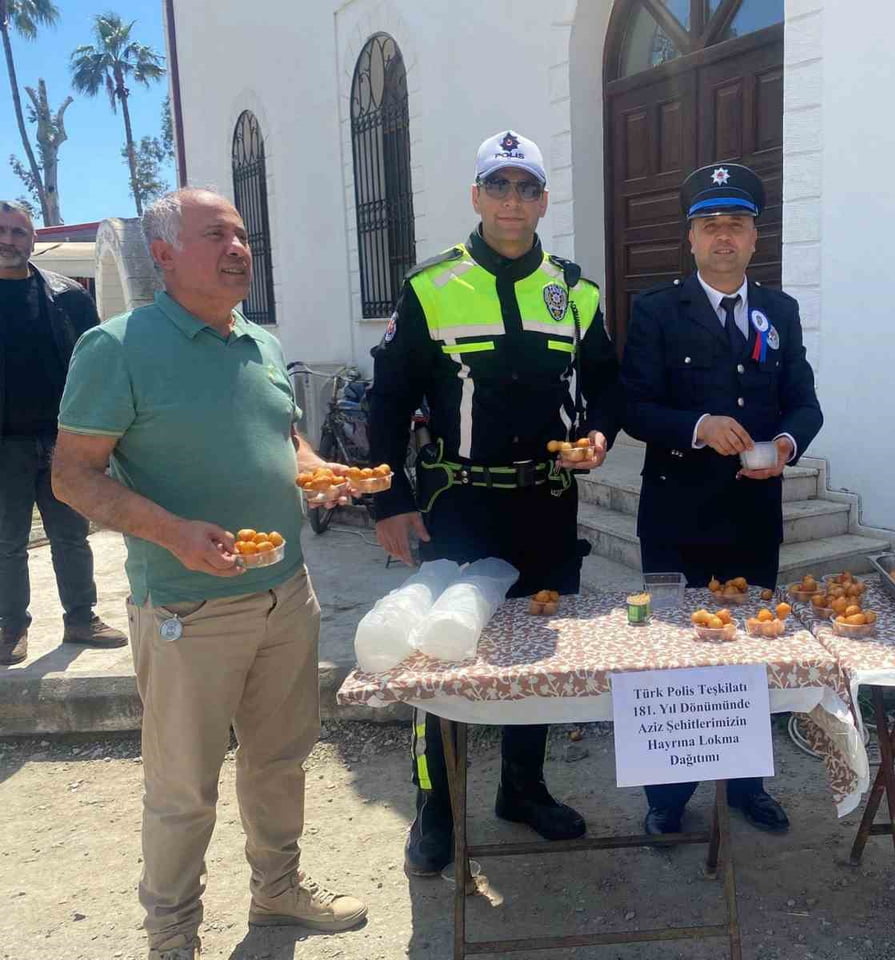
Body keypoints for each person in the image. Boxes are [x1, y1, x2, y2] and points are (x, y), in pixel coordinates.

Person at [52, 188, 367, 960]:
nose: (238, 248)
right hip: (187, 609)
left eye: (242, 235)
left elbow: (285, 440)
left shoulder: (261, 343)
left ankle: (277, 890)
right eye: (215, 235)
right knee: (183, 788)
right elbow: (72, 476)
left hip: (286, 594)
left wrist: (318, 471)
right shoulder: (116, 348)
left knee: (280, 760)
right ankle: (172, 936)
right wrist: (174, 533)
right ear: (163, 255)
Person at [368, 130, 622, 876]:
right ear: (477, 196)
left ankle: (522, 788)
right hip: (459, 504)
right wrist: (389, 500)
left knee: (535, 652)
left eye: (527, 187)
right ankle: (434, 806)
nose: (514, 201)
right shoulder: (431, 286)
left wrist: (600, 435)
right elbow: (388, 401)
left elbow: (608, 384)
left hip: (546, 504)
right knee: (439, 657)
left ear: (543, 201)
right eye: (500, 186)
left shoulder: (575, 291)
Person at [620, 162, 823, 836]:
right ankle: (668, 794)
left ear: (755, 236)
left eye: (736, 223)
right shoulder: (656, 310)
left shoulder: (779, 311)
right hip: (675, 514)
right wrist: (698, 426)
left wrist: (786, 444)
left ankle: (745, 785)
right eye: (710, 225)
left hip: (751, 514)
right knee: (673, 652)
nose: (724, 236)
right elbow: (634, 407)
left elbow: (804, 402)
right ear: (691, 238)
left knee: (752, 648)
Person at [0, 200, 125, 664]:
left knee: (72, 535)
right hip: (5, 446)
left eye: (18, 232)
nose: (9, 240)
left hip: (64, 441)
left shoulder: (68, 296)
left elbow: (98, 363)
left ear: (33, 240)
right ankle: (10, 626)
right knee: (7, 543)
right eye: (2, 231)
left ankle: (81, 618)